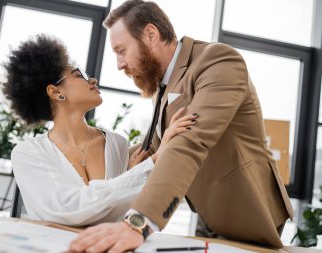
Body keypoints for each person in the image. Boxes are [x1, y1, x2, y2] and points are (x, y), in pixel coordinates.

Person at [69, 0, 294, 251]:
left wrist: (138, 222)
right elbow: (154, 146)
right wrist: (87, 162)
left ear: (151, 34)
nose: (119, 64)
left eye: (121, 50)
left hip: (246, 207)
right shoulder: (162, 85)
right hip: (210, 210)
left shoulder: (219, 61)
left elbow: (189, 141)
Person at [2, 34, 197, 226]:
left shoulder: (117, 144)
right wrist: (151, 164)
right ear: (55, 92)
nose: (92, 80)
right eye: (80, 76)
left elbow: (121, 215)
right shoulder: (28, 153)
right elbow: (66, 209)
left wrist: (133, 173)